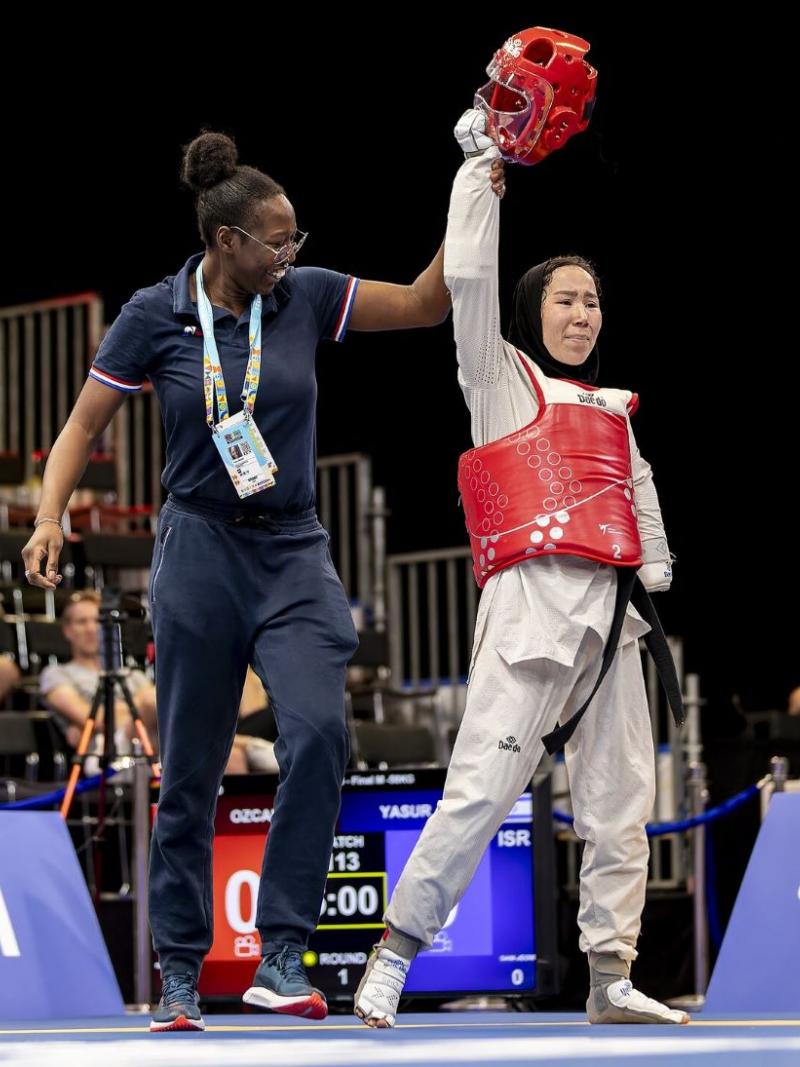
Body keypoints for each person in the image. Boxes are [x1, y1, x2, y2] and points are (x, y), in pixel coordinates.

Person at [22, 130, 504, 1033]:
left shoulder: (306, 297)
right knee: (194, 769)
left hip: (292, 550)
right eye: (276, 241)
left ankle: (280, 953)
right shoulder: (153, 314)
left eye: (296, 239)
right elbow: (84, 425)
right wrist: (51, 515)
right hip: (199, 550)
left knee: (323, 734)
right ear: (224, 241)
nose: (291, 254)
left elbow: (428, 303)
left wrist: (472, 191)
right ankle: (176, 967)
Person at [353, 107, 687, 1028]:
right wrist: (481, 170)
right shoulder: (502, 383)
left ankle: (610, 974)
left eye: (593, 301)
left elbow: (640, 493)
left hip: (614, 622)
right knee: (477, 795)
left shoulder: (612, 408)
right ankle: (394, 952)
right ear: (534, 310)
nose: (582, 313)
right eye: (566, 299)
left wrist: (653, 568)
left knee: (622, 803)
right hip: (534, 612)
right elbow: (464, 276)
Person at [38, 590, 157, 758]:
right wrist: (139, 707)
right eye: (82, 622)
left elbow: (158, 707)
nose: (91, 629)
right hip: (101, 755)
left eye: (97, 621)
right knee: (151, 701)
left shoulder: (132, 674)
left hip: (147, 749)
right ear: (67, 630)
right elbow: (99, 720)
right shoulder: (56, 674)